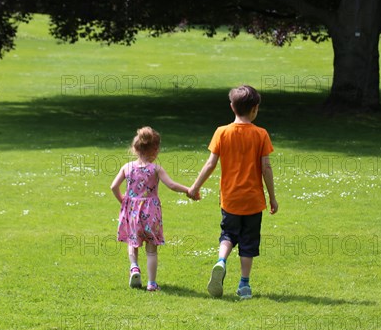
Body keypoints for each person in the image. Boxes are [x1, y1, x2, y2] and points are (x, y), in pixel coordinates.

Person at [188, 85, 278, 299]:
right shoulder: (261, 134)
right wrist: (272, 197)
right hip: (254, 201)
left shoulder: (222, 132)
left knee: (227, 234)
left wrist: (195, 187)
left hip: (230, 199)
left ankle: (221, 260)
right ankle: (244, 285)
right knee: (248, 242)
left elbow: (210, 164)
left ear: (232, 107)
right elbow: (266, 168)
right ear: (255, 109)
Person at [111, 126, 191, 291]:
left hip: (132, 211)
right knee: (151, 250)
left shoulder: (127, 167)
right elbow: (172, 185)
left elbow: (113, 186)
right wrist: (188, 190)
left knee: (132, 243)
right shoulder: (156, 169)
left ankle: (134, 267)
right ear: (155, 150)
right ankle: (152, 284)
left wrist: (124, 202)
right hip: (151, 212)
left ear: (135, 148)